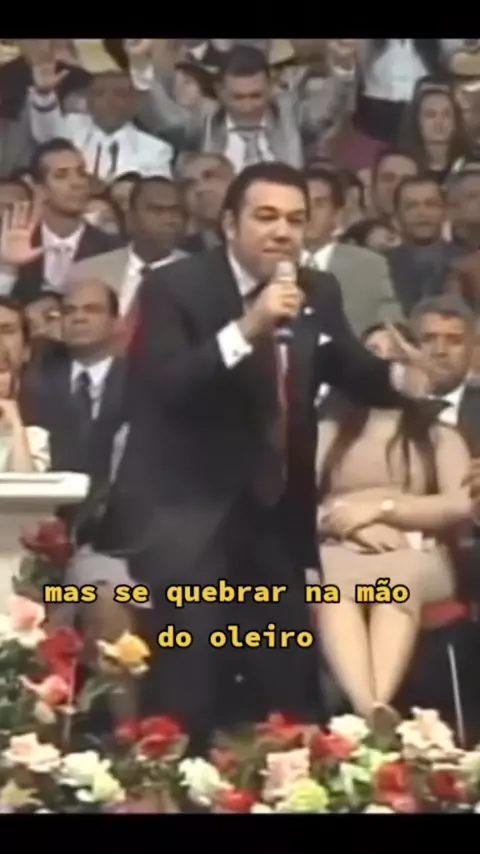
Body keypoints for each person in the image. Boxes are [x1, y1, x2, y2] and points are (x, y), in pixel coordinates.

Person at [100, 162, 434, 743]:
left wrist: (407, 379)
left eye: (296, 220)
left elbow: (347, 365)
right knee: (188, 691)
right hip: (191, 516)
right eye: (267, 216)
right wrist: (248, 326)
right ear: (230, 223)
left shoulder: (316, 289)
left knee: (289, 691)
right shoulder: (175, 287)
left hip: (275, 512)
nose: (283, 232)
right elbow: (165, 385)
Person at [312, 323, 472, 722]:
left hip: (413, 551)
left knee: (394, 585)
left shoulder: (439, 435)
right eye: (372, 355)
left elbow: (459, 503)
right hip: (340, 546)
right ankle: (371, 708)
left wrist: (383, 510)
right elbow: (291, 505)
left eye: (395, 355)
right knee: (333, 587)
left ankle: (374, 704)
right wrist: (350, 524)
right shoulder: (326, 431)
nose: (383, 364)